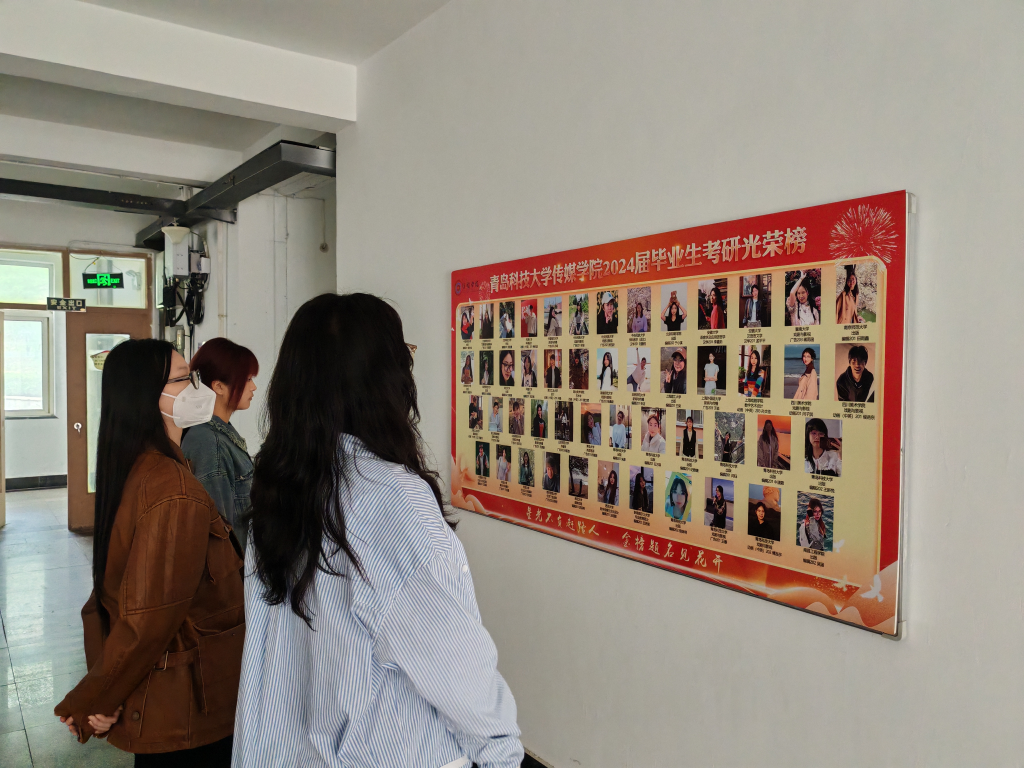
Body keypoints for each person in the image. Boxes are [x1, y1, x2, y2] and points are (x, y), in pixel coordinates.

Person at [234, 293, 523, 767]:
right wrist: (502, 753)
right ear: (383, 378)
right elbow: (454, 664)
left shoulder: (278, 485)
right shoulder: (392, 497)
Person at [55, 339, 244, 763]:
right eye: (183, 379)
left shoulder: (146, 469)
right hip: (184, 709)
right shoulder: (172, 490)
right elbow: (147, 617)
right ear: (148, 397)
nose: (198, 389)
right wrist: (98, 699)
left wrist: (106, 690)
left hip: (176, 699)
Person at [181, 337, 259, 553]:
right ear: (218, 386)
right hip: (232, 567)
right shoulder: (209, 443)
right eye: (247, 379)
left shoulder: (221, 433)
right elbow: (219, 536)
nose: (254, 387)